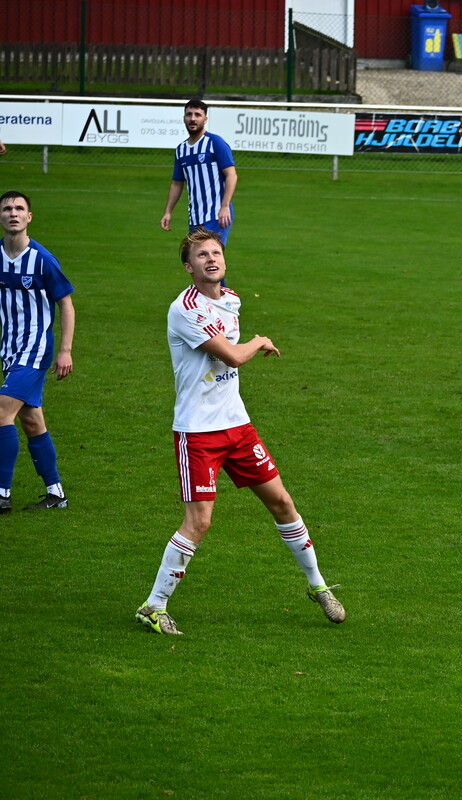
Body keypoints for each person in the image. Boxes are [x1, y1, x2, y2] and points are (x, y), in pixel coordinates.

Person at [134, 229, 344, 636]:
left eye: (216, 252)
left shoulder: (231, 300)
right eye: (201, 255)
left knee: (282, 502)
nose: (211, 259)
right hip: (198, 432)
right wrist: (260, 340)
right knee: (198, 523)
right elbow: (231, 356)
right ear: (188, 266)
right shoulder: (185, 309)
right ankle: (153, 606)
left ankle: (319, 586)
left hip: (238, 427)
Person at [0, 191, 74, 512]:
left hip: (35, 351)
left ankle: (1, 494)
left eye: (19, 208)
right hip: (10, 351)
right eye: (7, 209)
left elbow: (66, 304)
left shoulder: (42, 259)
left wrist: (65, 350)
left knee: (2, 413)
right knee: (31, 421)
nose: (13, 213)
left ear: (29, 217)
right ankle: (56, 494)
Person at [161, 99, 238, 245]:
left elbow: (231, 175)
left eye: (197, 115)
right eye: (189, 114)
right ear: (184, 118)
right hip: (195, 217)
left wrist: (225, 206)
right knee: (197, 256)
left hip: (217, 214)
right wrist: (168, 211)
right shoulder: (181, 150)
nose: (193, 118)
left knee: (210, 253)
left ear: (205, 119)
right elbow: (177, 183)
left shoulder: (215, 142)